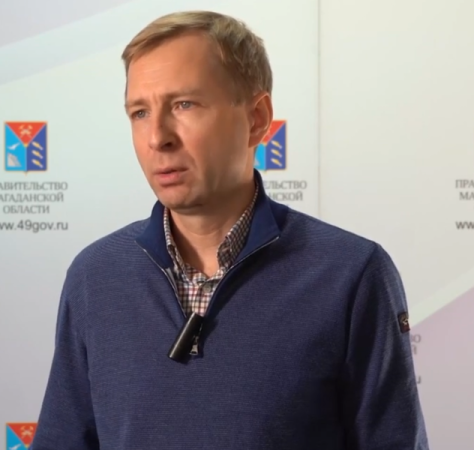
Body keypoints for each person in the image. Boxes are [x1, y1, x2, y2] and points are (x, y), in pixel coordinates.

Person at [31, 10, 429, 450]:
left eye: (183, 105)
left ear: (257, 118)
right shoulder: (96, 276)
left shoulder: (351, 274)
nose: (157, 137)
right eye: (140, 112)